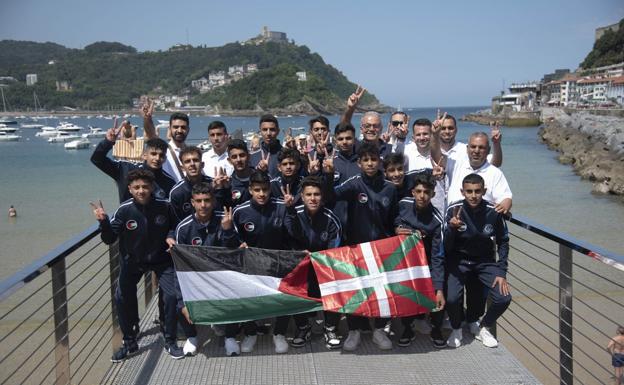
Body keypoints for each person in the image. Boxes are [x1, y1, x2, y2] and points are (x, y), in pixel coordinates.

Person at [91, 169, 184, 361]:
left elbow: (175, 226)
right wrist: (104, 222)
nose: (141, 190)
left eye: (145, 187)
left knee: (172, 296)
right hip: (133, 261)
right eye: (137, 187)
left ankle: (170, 340)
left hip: (161, 259)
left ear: (151, 188)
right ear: (130, 189)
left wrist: (170, 236)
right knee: (122, 297)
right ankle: (130, 341)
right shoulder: (124, 210)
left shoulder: (164, 206)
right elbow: (109, 239)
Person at [330, 141, 398, 351]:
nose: (370, 163)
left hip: (382, 248)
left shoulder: (390, 188)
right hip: (355, 247)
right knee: (356, 291)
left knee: (381, 291)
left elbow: (395, 218)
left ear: (380, 162)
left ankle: (379, 330)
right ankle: (354, 330)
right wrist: (326, 175)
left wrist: (401, 231)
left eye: (373, 159)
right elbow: (330, 195)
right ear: (359, 163)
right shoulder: (354, 184)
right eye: (365, 160)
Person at [231, 170, 298, 354]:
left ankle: (279, 334)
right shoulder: (239, 211)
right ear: (250, 190)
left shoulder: (281, 206)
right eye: (257, 190)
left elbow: (294, 234)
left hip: (278, 262)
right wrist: (238, 243)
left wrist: (291, 210)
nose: (262, 194)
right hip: (250, 264)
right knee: (247, 298)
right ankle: (251, 333)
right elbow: (234, 239)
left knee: (283, 298)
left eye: (265, 190)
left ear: (270, 189)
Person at [169, 182, 239, 356]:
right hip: (194, 277)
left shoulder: (225, 219)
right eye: (198, 201)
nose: (203, 205)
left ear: (214, 201)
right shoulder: (183, 228)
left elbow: (234, 253)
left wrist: (228, 230)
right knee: (174, 297)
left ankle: (230, 336)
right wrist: (182, 303)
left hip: (221, 275)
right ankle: (192, 336)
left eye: (207, 200)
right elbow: (180, 267)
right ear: (192, 202)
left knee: (235, 290)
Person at [444, 173, 511, 349]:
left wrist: (502, 271)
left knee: (503, 298)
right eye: (469, 191)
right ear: (462, 191)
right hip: (458, 260)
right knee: (451, 299)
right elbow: (445, 244)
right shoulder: (454, 209)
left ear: (484, 191)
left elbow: (503, 241)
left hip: (485, 261)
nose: (473, 195)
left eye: (477, 191)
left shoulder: (493, 211)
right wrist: (451, 228)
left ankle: (482, 327)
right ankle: (456, 328)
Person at [287, 176, 344, 350]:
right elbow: (287, 237)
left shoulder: (331, 218)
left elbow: (335, 246)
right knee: (295, 291)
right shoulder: (293, 213)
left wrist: (320, 257)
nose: (313, 198)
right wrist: (298, 254)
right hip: (300, 264)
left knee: (333, 288)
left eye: (317, 194)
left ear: (322, 197)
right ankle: (303, 327)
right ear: (302, 197)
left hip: (323, 265)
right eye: (309, 194)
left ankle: (330, 328)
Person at [394, 173, 446, 348]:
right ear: (412, 192)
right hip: (405, 261)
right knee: (405, 293)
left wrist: (438, 288)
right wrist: (397, 228)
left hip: (427, 263)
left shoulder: (437, 221)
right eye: (418, 191)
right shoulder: (403, 205)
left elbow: (438, 256)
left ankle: (436, 327)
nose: (422, 196)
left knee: (438, 291)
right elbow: (392, 222)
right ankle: (407, 327)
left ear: (432, 194)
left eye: (426, 192)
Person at [91, 123, 176, 203]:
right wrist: (107, 142)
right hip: (128, 218)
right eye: (153, 154)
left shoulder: (169, 182)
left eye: (161, 155)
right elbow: (97, 160)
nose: (157, 158)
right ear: (144, 155)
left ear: (165, 158)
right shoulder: (125, 169)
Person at [446, 132, 512, 214]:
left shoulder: (495, 173)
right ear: (467, 149)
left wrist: (503, 207)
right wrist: (435, 134)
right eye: (473, 147)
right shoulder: (456, 165)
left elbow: (506, 198)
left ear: (488, 150)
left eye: (481, 147)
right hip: (454, 221)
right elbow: (436, 155)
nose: (476, 151)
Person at [141, 99, 189, 182]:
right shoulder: (164, 150)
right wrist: (147, 119)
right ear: (170, 129)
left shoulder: (191, 152)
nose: (179, 130)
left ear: (188, 130)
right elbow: (151, 134)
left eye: (183, 127)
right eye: (176, 127)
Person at [341, 85, 391, 160]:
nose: (371, 129)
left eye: (375, 126)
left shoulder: (389, 149)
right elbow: (344, 126)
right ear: (361, 129)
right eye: (367, 126)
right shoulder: (355, 147)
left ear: (381, 129)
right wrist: (350, 108)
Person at [226, 139, 254, 207]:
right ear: (229, 161)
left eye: (242, 155)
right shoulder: (229, 185)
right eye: (234, 157)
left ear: (249, 156)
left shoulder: (262, 179)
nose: (238, 160)